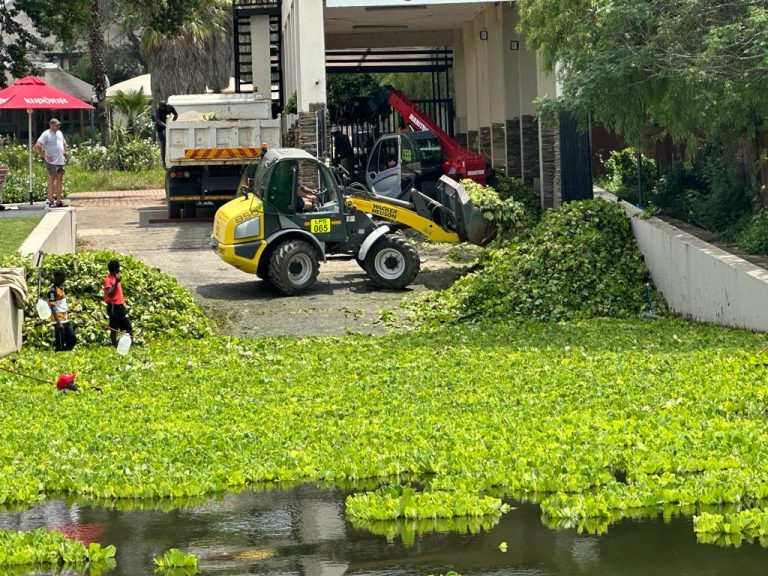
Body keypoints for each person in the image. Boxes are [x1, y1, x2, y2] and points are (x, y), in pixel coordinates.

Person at [34, 118, 68, 208]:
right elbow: (37, 145)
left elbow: (64, 143)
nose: (58, 126)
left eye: (58, 125)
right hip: (52, 161)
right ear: (51, 125)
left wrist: (65, 152)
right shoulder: (46, 134)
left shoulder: (60, 133)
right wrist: (44, 155)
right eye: (56, 125)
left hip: (60, 160)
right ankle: (50, 199)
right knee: (52, 179)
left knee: (60, 180)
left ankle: (59, 200)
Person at [103, 259, 132, 347]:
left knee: (128, 326)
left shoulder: (116, 278)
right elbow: (110, 294)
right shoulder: (108, 280)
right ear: (117, 269)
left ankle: (128, 344)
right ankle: (115, 345)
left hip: (120, 306)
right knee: (114, 328)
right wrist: (116, 283)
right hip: (113, 307)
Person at [47, 268, 76, 351]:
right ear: (57, 277)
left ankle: (66, 351)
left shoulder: (61, 288)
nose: (64, 279)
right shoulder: (52, 291)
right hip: (59, 320)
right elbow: (52, 307)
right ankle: (60, 354)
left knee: (72, 338)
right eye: (62, 277)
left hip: (65, 318)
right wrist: (58, 323)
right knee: (60, 341)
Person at [152, 100, 178, 166]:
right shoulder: (157, 111)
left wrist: (173, 121)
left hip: (169, 127)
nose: (163, 109)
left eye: (164, 107)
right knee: (163, 143)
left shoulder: (169, 107)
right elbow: (158, 121)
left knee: (173, 142)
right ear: (160, 107)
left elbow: (176, 115)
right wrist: (166, 126)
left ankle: (174, 157)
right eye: (162, 108)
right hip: (160, 128)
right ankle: (163, 161)